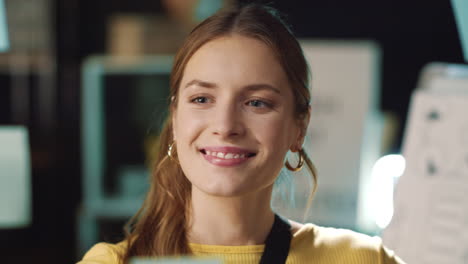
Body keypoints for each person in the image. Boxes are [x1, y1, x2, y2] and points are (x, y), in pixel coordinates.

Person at [78, 4, 405, 264]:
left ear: (299, 127)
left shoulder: (360, 259)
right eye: (202, 99)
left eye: (257, 102)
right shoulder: (112, 262)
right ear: (175, 119)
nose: (225, 125)